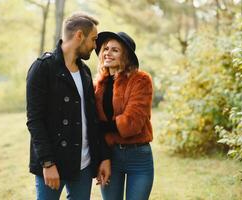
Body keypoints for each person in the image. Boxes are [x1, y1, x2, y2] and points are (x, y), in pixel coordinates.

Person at [26, 12, 110, 200]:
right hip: (54, 163)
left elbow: (93, 118)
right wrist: (47, 163)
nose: (95, 46)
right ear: (79, 35)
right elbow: (35, 121)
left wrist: (103, 157)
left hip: (84, 165)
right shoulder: (42, 68)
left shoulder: (85, 72)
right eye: (94, 39)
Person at [94, 31, 154, 200]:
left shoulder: (141, 80)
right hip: (110, 156)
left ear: (126, 56)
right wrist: (103, 156)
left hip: (139, 157)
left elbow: (133, 122)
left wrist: (101, 127)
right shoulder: (98, 85)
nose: (108, 53)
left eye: (115, 50)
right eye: (106, 49)